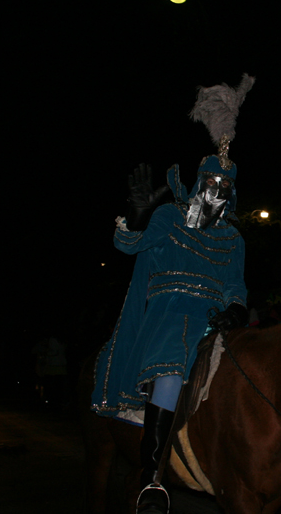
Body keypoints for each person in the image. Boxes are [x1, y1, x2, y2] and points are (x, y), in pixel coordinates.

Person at [90, 75, 254, 514]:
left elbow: (235, 285)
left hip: (214, 318)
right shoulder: (170, 217)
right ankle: (152, 477)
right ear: (199, 183)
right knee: (169, 373)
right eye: (211, 184)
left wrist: (236, 309)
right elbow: (128, 245)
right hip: (168, 316)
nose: (217, 193)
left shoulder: (233, 239)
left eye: (225, 188)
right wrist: (137, 216)